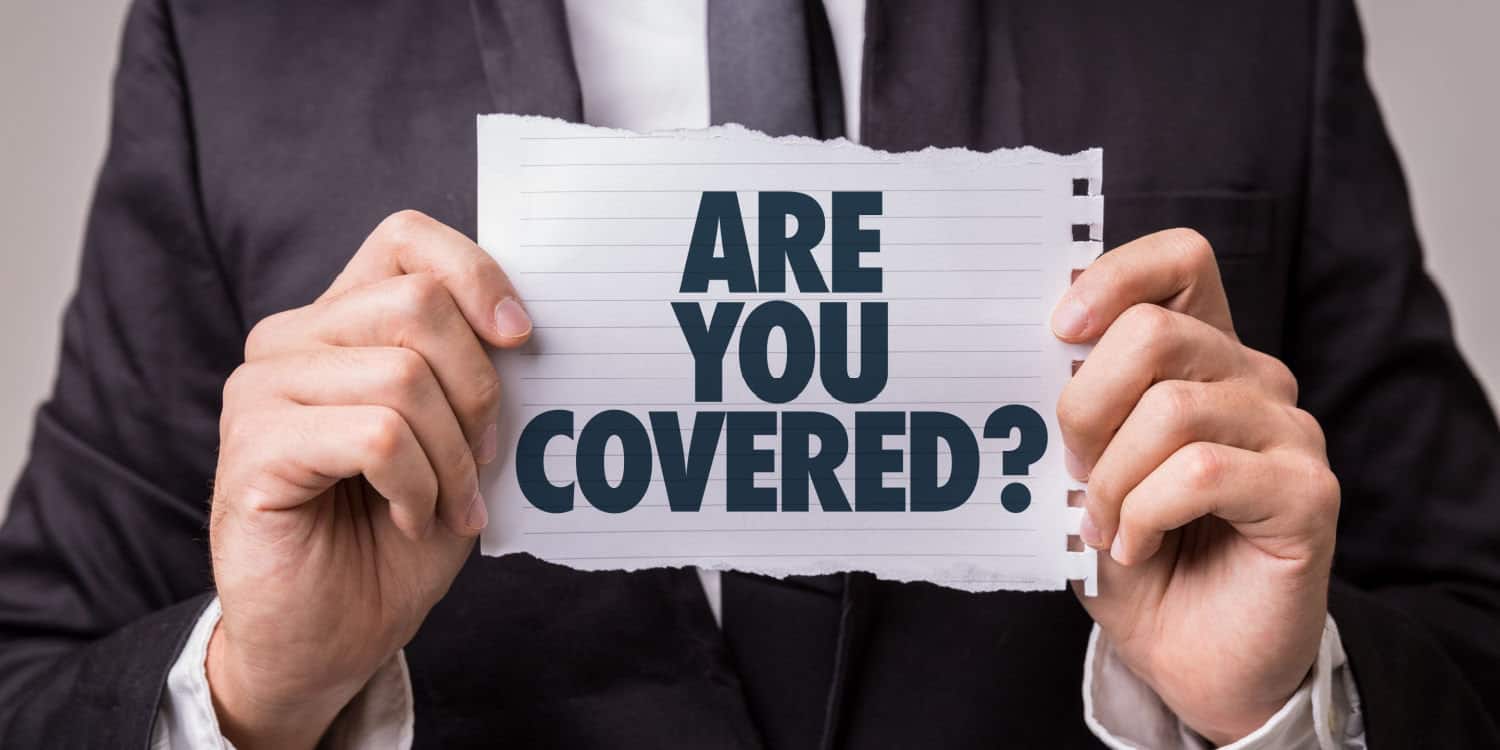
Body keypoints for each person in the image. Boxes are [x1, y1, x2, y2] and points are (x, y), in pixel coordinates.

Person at [1, 0, 1497, 747]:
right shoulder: (239, 36)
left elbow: (1473, 628)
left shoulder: (1246, 20)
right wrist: (256, 693)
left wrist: (1283, 705)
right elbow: (37, 673)